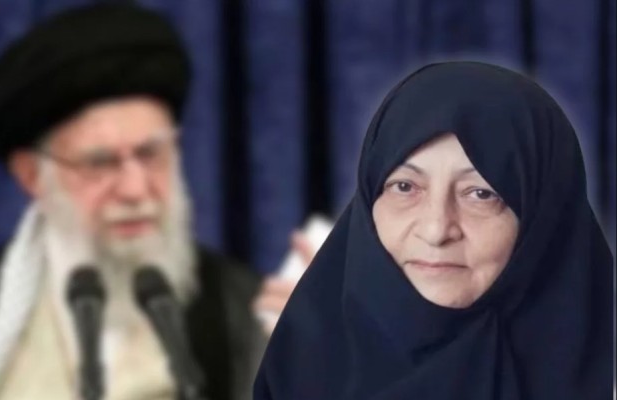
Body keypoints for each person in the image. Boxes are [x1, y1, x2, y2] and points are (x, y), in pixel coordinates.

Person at [0, 3, 309, 399]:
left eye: (151, 154)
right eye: (100, 163)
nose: (134, 189)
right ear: (31, 175)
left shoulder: (240, 314)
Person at [253, 62, 615, 399]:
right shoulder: (298, 371)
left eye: (481, 194)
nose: (436, 230)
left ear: (545, 219)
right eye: (405, 187)